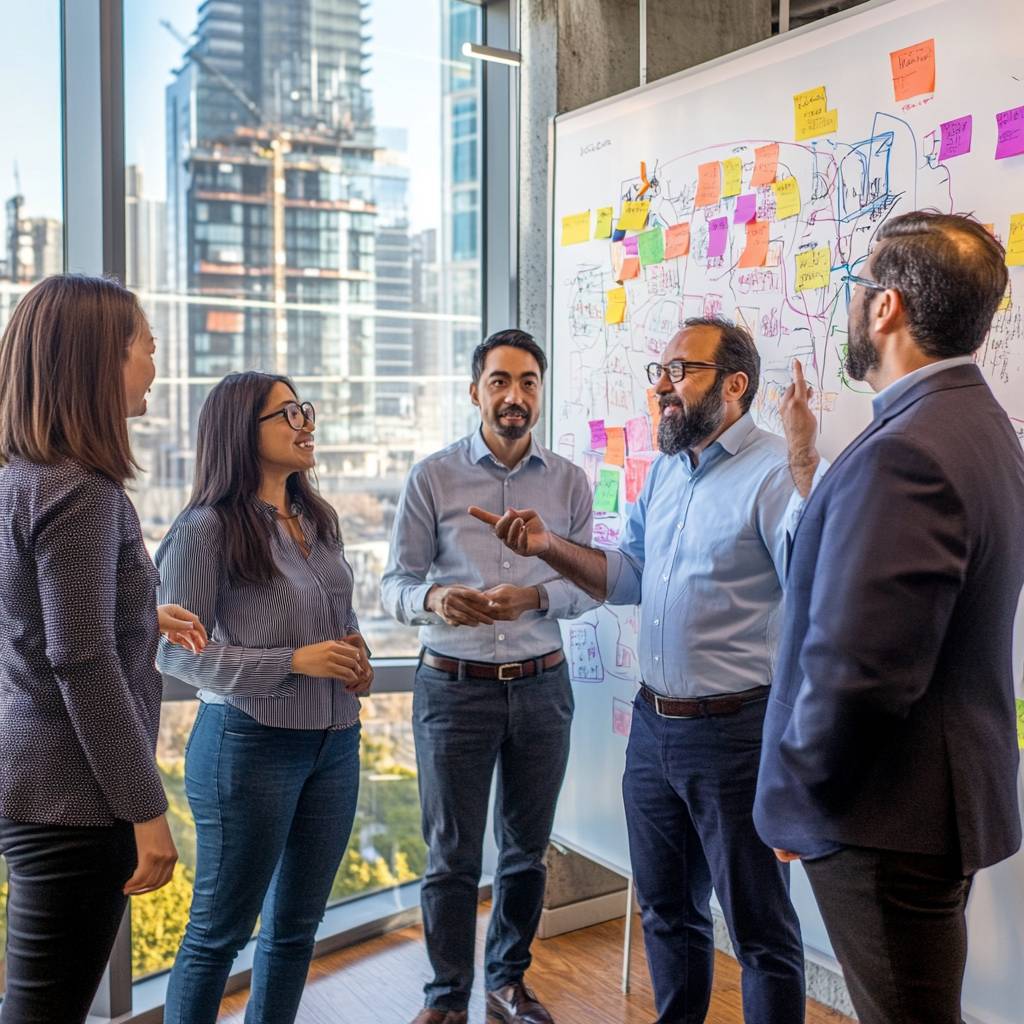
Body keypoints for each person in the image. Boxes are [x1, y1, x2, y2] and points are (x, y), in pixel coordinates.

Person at [471, 318, 807, 1024]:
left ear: (735, 384)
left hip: (739, 734)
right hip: (654, 730)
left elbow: (817, 592)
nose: (662, 387)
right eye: (658, 371)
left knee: (759, 933)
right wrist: (547, 546)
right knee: (664, 910)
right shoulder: (665, 471)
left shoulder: (777, 472)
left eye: (679, 370)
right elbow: (628, 578)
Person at [754, 211, 1024, 1024]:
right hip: (925, 808)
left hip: (878, 820)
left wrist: (797, 800)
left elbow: (858, 674)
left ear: (887, 308)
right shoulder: (976, 425)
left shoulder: (906, 450)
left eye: (857, 287)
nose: (851, 305)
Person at [0, 274, 206, 1023]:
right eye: (144, 347)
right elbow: (78, 661)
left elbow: (34, 623)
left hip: (33, 780)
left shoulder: (21, 479)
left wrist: (143, 614)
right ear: (96, 363)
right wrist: (145, 807)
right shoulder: (81, 492)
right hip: (75, 800)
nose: (153, 362)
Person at [381, 329, 597, 1024]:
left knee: (525, 853)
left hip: (542, 684)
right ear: (476, 391)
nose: (514, 395)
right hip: (453, 689)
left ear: (539, 392)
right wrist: (434, 599)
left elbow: (589, 586)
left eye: (528, 381)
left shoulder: (568, 482)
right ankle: (445, 999)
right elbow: (393, 585)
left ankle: (507, 983)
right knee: (450, 856)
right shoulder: (433, 478)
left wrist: (537, 596)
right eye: (500, 381)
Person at [156, 371, 373, 1024]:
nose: (306, 422)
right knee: (218, 936)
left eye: (305, 409)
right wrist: (294, 662)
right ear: (239, 433)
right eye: (287, 414)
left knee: (295, 929)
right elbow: (171, 650)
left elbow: (335, 614)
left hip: (335, 744)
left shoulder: (317, 516)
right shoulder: (205, 530)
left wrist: (354, 657)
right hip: (249, 747)